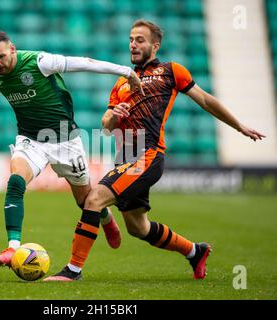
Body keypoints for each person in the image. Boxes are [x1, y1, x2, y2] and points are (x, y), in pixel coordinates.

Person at [45, 19, 266, 281]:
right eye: (130, 39)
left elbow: (205, 100)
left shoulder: (171, 71)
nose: (133, 44)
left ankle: (73, 271)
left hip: (147, 155)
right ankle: (195, 251)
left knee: (94, 199)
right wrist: (115, 115)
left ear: (155, 45)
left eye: (140, 40)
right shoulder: (123, 81)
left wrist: (239, 125)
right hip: (125, 158)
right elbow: (105, 126)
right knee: (138, 228)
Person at [0, 30, 144, 267]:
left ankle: (106, 218)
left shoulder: (40, 62)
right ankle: (12, 248)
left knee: (84, 200)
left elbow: (85, 63)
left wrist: (126, 71)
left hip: (65, 141)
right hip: (30, 140)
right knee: (16, 181)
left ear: (13, 49)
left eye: (1, 57)